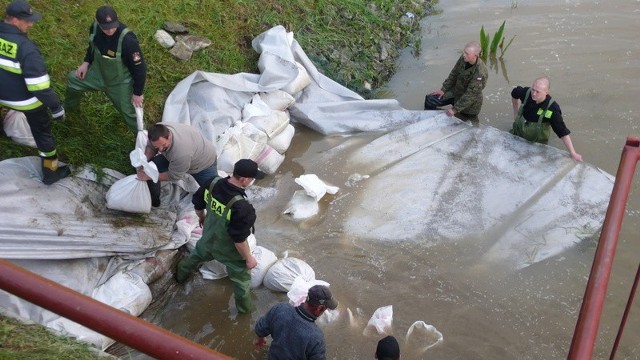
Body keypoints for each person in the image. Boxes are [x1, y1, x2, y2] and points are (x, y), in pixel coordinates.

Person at [175, 159, 265, 314]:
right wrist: (249, 259)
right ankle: (245, 313)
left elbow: (198, 203)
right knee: (241, 282)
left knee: (193, 258)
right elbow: (239, 240)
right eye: (251, 178)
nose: (252, 181)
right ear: (244, 179)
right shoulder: (242, 207)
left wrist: (202, 217)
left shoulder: (213, 182)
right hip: (229, 250)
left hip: (208, 239)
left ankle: (179, 278)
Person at [0, 0, 69, 185]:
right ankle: (50, 172)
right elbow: (39, 87)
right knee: (43, 135)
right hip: (26, 101)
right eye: (27, 20)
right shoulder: (27, 49)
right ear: (14, 20)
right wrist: (56, 107)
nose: (30, 24)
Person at [64, 5, 146, 133]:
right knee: (72, 80)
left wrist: (137, 93)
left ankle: (144, 140)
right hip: (97, 75)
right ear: (97, 22)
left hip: (120, 84)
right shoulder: (95, 28)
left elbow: (139, 68)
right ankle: (69, 111)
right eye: (106, 28)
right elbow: (92, 46)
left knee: (130, 114)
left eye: (113, 26)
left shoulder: (128, 41)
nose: (110, 30)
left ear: (117, 19)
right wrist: (86, 62)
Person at [136, 123, 218, 207]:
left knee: (215, 192)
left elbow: (174, 176)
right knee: (151, 168)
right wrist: (145, 160)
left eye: (163, 145)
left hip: (204, 163)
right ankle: (154, 202)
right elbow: (151, 146)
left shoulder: (181, 152)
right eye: (157, 146)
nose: (160, 150)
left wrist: (149, 176)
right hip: (177, 156)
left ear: (169, 136)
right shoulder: (158, 130)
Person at [254, 285, 338, 359]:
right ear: (319, 308)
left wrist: (261, 339)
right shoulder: (316, 337)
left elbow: (261, 327)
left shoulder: (281, 308)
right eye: (325, 308)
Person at [510, 76, 583, 161]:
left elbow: (562, 132)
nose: (533, 94)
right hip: (517, 134)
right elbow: (514, 93)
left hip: (536, 144)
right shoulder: (526, 93)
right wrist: (516, 112)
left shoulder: (552, 109)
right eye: (533, 89)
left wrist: (573, 153)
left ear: (546, 92)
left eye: (538, 92)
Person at [424, 41, 488, 120]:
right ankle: (429, 121)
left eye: (467, 53)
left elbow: (470, 95)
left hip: (469, 105)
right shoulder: (463, 58)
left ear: (475, 55)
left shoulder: (480, 72)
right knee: (430, 99)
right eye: (464, 52)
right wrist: (444, 89)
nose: (464, 55)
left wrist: (454, 110)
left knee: (468, 125)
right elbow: (454, 74)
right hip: (456, 92)